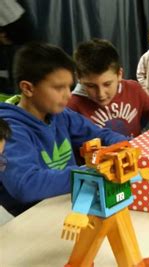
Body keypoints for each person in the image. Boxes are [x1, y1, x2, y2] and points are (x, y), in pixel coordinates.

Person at [0, 42, 127, 216]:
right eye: (59, 88)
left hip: (69, 205)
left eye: (70, 86)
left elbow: (100, 135)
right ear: (28, 88)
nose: (68, 95)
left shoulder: (61, 114)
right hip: (35, 219)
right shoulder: (10, 130)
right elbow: (26, 185)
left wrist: (129, 146)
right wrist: (93, 172)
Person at [68, 39, 149, 138]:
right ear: (78, 78)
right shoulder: (71, 106)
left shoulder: (133, 89)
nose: (101, 94)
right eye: (91, 86)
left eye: (107, 84)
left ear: (119, 74)